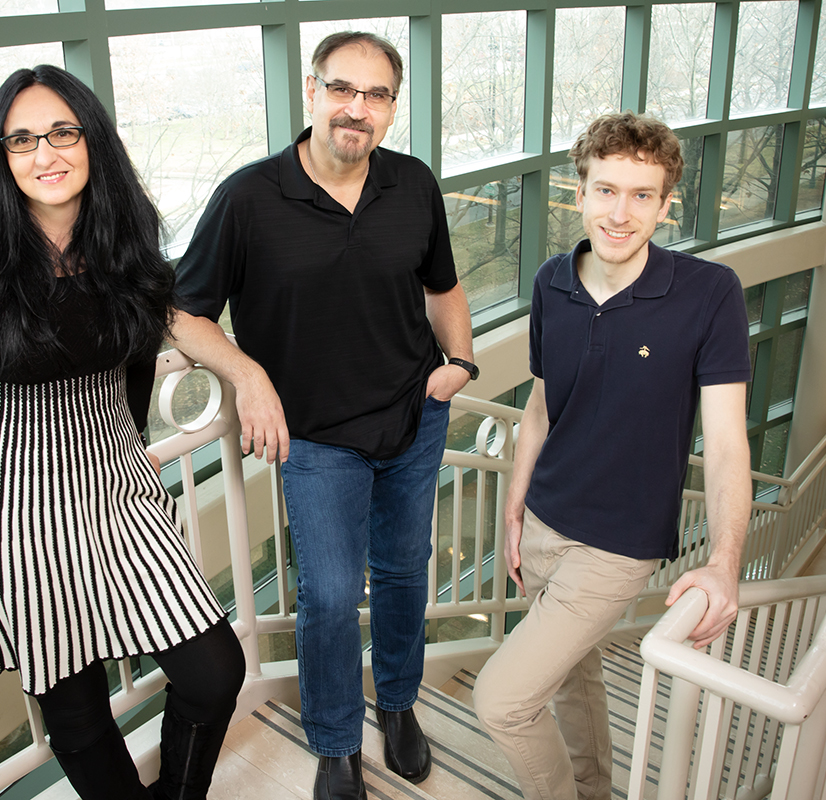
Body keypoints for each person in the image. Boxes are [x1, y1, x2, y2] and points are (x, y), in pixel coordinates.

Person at [0, 64, 244, 800]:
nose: (44, 153)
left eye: (62, 132)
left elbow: (130, 372)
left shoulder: (129, 246)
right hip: (9, 501)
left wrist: (135, 464)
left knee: (215, 670)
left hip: (114, 482)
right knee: (76, 703)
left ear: (93, 141)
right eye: (21, 139)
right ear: (1, 157)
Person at [170, 31, 476, 800]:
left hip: (413, 416)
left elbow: (443, 288)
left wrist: (461, 365)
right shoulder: (249, 197)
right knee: (333, 596)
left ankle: (399, 706)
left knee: (406, 575)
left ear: (391, 109)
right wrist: (247, 375)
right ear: (312, 91)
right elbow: (181, 313)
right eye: (343, 89)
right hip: (314, 436)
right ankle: (336, 743)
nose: (358, 109)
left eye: (376, 96)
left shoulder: (413, 184)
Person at [472, 112, 752, 800]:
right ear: (580, 193)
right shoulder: (551, 282)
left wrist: (724, 562)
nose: (620, 214)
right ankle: (595, 788)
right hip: (542, 521)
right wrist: (513, 507)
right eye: (605, 191)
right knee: (571, 674)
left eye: (641, 195)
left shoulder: (710, 294)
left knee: (502, 701)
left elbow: (724, 444)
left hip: (620, 543)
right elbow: (541, 407)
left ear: (665, 203)